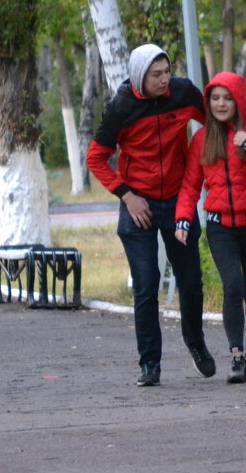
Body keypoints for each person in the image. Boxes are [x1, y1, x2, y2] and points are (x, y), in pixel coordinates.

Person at [86, 44, 215, 386]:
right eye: (156, 74)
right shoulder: (121, 108)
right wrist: (127, 196)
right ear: (139, 76)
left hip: (177, 200)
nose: (165, 79)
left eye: (167, 71)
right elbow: (96, 158)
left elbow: (217, 126)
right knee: (146, 285)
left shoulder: (184, 93)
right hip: (137, 204)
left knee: (190, 281)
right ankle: (150, 364)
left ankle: (196, 343)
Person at [174, 71, 246, 384]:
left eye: (227, 98)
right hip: (220, 227)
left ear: (239, 101)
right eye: (215, 98)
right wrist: (182, 219)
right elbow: (190, 185)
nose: (221, 104)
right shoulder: (201, 140)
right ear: (208, 103)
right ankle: (236, 356)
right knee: (232, 286)